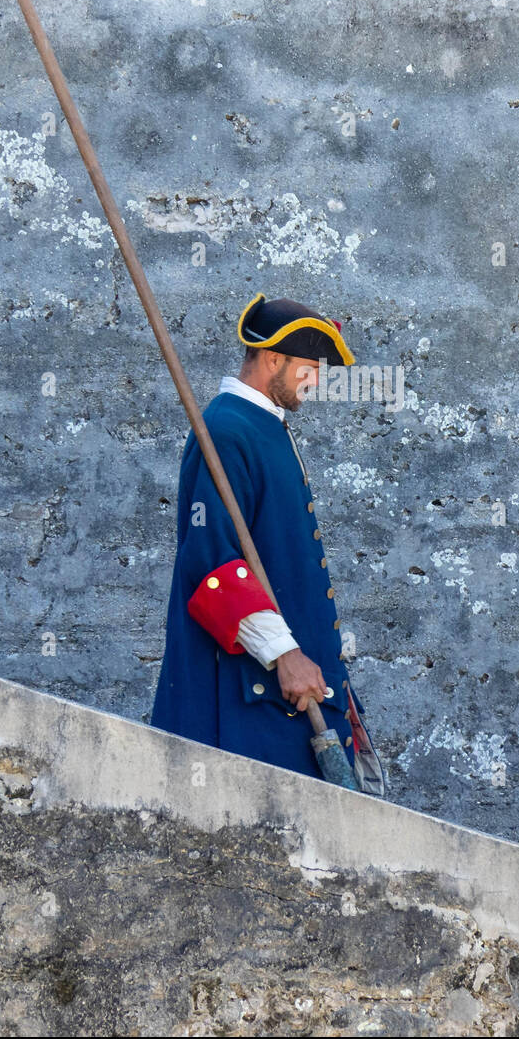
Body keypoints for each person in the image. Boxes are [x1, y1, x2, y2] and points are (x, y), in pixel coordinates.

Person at [150, 292, 384, 793]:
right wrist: (284, 655)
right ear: (273, 359)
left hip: (292, 691)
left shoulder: (264, 427)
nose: (315, 381)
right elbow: (211, 562)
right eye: (309, 367)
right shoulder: (227, 429)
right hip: (248, 695)